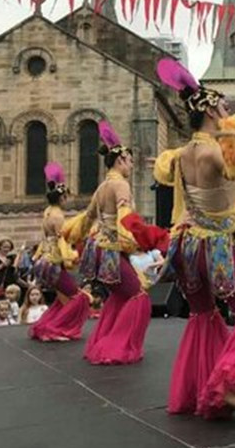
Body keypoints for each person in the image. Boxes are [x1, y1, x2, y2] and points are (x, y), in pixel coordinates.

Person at [153, 70, 235, 422]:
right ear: (210, 111)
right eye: (223, 107)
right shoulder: (211, 152)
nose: (228, 112)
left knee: (203, 316)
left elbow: (164, 172)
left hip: (185, 246)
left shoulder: (181, 154)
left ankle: (202, 390)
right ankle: (229, 385)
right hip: (213, 248)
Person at [63, 123, 152, 364]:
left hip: (99, 248)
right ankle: (116, 346)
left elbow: (87, 218)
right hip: (112, 249)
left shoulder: (102, 187)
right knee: (138, 296)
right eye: (130, 161)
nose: (131, 166)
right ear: (121, 159)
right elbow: (125, 216)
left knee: (119, 296)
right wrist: (133, 239)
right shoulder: (120, 184)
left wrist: (74, 235)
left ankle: (105, 341)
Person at [30, 163, 91, 342]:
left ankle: (49, 327)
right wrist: (73, 256)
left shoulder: (48, 212)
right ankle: (54, 329)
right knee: (78, 298)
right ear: (62, 197)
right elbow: (61, 240)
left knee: (64, 298)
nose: (67, 200)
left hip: (44, 260)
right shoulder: (58, 216)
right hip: (53, 261)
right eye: (66, 197)